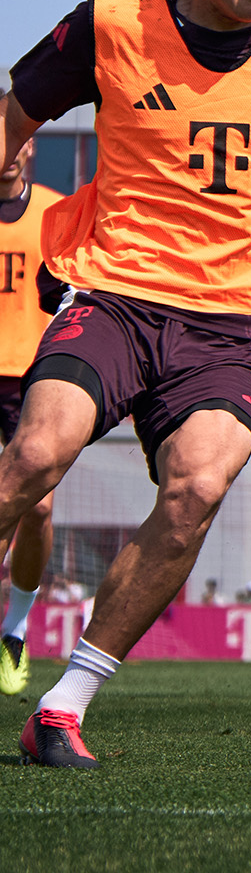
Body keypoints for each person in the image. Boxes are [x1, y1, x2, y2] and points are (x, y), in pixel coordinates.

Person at [0, 0, 251, 767]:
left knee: (195, 491)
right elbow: (14, 115)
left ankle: (62, 707)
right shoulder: (110, 19)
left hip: (227, 321)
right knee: (35, 454)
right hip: (113, 292)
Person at [0, 139, 62, 697]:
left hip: (34, 379)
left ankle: (15, 631)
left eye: (17, 138)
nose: (8, 151)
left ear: (31, 144)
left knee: (38, 508)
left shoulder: (54, 211)